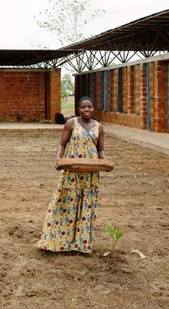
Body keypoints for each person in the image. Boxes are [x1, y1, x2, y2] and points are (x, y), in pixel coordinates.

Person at [36, 96, 106, 254]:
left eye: (90, 107)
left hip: (90, 174)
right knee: (66, 203)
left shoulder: (99, 127)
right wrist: (58, 158)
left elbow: (100, 149)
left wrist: (104, 163)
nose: (86, 110)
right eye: (83, 107)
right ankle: (59, 241)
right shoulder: (71, 123)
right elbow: (62, 143)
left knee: (86, 206)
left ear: (94, 109)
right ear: (78, 109)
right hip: (72, 171)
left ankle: (81, 244)